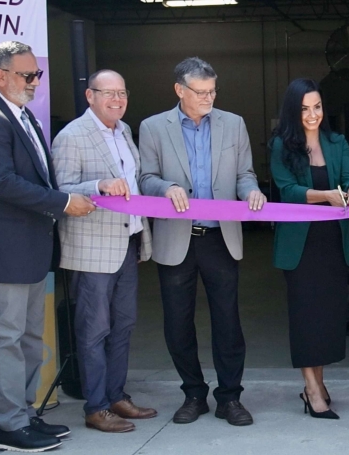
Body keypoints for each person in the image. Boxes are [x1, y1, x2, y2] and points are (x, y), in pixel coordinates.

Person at [0, 40, 95, 452]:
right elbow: (2, 182)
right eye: (27, 74)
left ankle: (25, 414)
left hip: (31, 249)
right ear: (0, 76)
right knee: (6, 338)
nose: (35, 81)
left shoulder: (23, 116)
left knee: (30, 338)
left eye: (37, 73)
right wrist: (64, 203)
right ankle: (10, 427)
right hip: (2, 251)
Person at [139, 57, 265, 427]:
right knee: (178, 323)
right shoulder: (152, 127)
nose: (209, 98)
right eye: (201, 92)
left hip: (220, 237)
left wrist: (252, 191)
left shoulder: (233, 124)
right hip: (176, 238)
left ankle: (230, 397)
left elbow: (245, 173)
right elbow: (145, 178)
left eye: (213, 91)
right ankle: (193, 394)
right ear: (180, 90)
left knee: (227, 322)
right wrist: (166, 187)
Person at [52, 69, 156, 433]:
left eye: (122, 93)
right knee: (94, 330)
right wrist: (98, 185)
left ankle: (115, 396)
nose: (117, 100)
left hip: (128, 240)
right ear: (90, 96)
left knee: (123, 325)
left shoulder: (124, 131)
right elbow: (60, 189)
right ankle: (95, 406)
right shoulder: (71, 136)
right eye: (108, 93)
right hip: (92, 248)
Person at [270, 78, 349, 420]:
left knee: (326, 319)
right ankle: (311, 389)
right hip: (300, 247)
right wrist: (325, 196)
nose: (312, 114)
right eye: (305, 108)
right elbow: (287, 190)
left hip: (332, 244)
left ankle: (318, 384)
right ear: (293, 111)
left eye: (317, 107)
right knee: (305, 318)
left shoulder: (337, 142)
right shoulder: (281, 145)